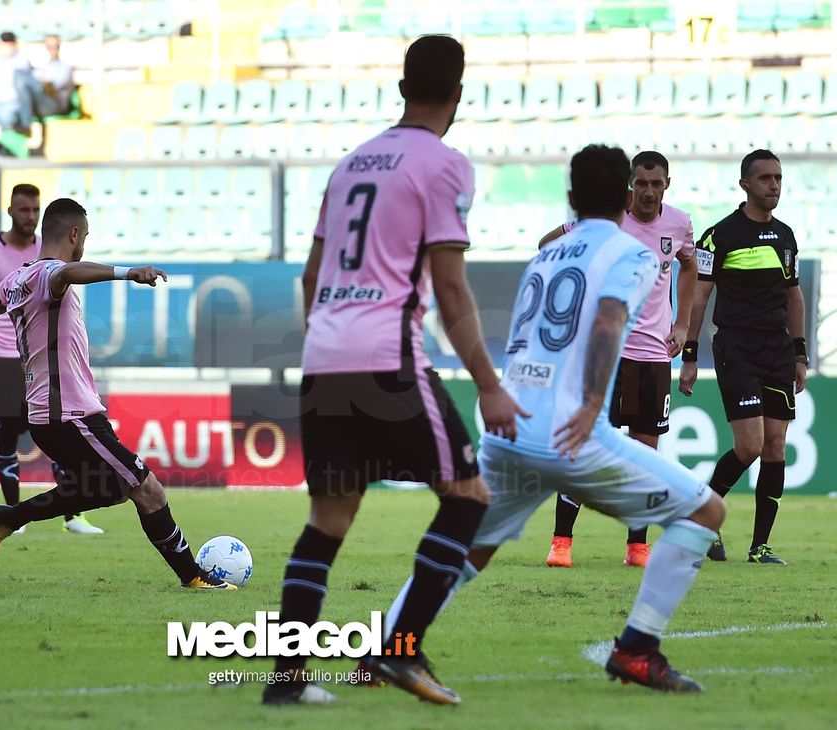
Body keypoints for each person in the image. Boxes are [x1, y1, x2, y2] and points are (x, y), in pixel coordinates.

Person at [380, 144, 727, 693]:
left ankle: (389, 649)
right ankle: (637, 649)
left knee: (473, 548)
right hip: (567, 430)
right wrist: (592, 405)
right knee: (706, 511)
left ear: (569, 198)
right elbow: (611, 319)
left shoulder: (546, 255)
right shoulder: (631, 252)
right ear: (624, 195)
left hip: (509, 426)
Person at [261, 35, 528, 707]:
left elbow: (313, 276)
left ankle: (286, 681)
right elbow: (452, 287)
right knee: (468, 497)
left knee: (329, 518)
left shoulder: (350, 163)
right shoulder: (443, 164)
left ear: (401, 86)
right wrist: (490, 386)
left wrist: (330, 336)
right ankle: (400, 649)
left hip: (324, 356)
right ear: (458, 94)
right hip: (388, 355)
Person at [0, 198, 233, 591]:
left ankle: (10, 517)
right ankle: (193, 576)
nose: (83, 243)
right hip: (68, 416)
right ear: (73, 234)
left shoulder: (14, 280)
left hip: (62, 415)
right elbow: (68, 271)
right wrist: (127, 273)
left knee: (106, 489)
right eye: (84, 236)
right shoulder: (49, 274)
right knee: (147, 488)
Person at [536, 151, 697, 569]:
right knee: (583, 445)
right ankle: (561, 542)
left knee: (645, 451)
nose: (647, 191)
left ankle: (637, 547)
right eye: (640, 183)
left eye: (655, 183)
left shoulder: (678, 223)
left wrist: (682, 324)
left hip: (652, 356)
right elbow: (547, 244)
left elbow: (691, 265)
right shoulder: (606, 219)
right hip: (604, 353)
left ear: (667, 184)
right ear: (629, 185)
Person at [679, 149, 806, 565]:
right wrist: (691, 355)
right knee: (749, 446)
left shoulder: (786, 236)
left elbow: (794, 296)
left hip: (777, 351)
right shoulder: (719, 236)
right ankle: (703, 519)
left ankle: (760, 546)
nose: (774, 185)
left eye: (779, 178)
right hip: (736, 349)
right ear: (745, 185)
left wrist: (800, 353)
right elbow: (699, 296)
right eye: (766, 178)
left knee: (775, 447)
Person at [0, 183, 102, 535]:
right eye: (23, 209)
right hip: (0, 355)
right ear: (11, 211)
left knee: (59, 435)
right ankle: (13, 511)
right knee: (9, 437)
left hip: (40, 361)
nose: (28, 216)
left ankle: (68, 517)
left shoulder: (36, 262)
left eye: (33, 210)